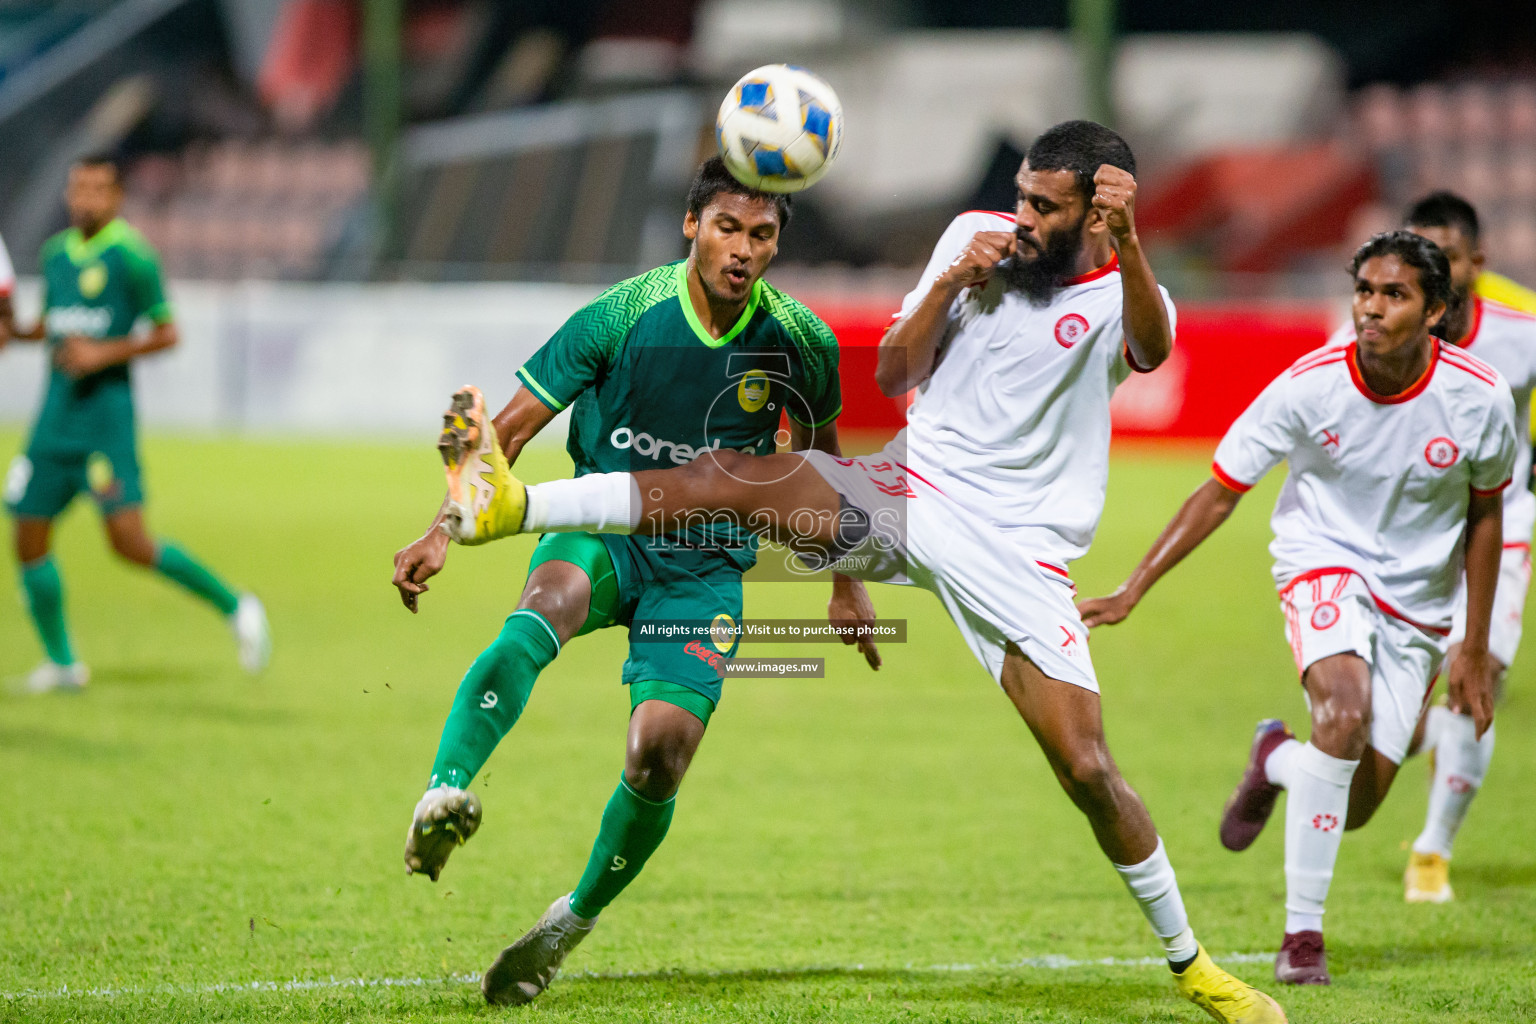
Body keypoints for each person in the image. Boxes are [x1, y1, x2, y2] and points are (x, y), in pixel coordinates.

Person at [430, 121, 1284, 1024]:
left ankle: (1193, 967)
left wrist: (1136, 242)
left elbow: (1152, 351)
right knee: (734, 479)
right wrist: (955, 279)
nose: (1023, 217)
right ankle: (513, 508)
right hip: (911, 492)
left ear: (1099, 215)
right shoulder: (971, 241)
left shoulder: (1123, 294)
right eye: (1023, 197)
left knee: (1086, 769)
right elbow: (891, 368)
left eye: (1044, 207)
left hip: (1020, 551)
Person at [390, 157, 878, 1007]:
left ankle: (565, 925)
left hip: (708, 561)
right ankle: (444, 792)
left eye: (762, 236)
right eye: (728, 228)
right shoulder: (622, 315)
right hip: (604, 528)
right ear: (693, 225)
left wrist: (845, 582)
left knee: (659, 754)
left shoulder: (799, 339)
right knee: (542, 612)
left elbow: (825, 457)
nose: (743, 250)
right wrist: (442, 527)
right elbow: (506, 430)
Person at [1078, 231, 1514, 985]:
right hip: (1324, 563)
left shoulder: (1479, 398)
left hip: (1417, 604)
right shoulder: (1309, 384)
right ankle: (1302, 938)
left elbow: (1485, 515)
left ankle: (1275, 758)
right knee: (1342, 716)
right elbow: (1219, 490)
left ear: (1438, 310)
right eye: (1365, 291)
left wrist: (1472, 645)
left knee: (1354, 803)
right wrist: (1133, 587)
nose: (1372, 309)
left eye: (1396, 295)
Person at [1333, 193, 1536, 904]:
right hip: (1404, 533)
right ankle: (1320, 760)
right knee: (1400, 702)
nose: (1430, 267)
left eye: (1445, 255)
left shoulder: (1521, 333)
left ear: (1475, 262)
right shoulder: (1376, 326)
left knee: (1477, 677)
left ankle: (1433, 850)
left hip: (1499, 523)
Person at [2, 155, 269, 690]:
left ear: (117, 197)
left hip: (106, 425)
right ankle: (63, 663)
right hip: (54, 423)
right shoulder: (56, 256)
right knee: (28, 536)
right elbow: (56, 329)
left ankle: (236, 606)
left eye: (98, 189)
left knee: (129, 541)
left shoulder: (132, 258)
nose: (85, 199)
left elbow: (168, 333)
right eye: (78, 188)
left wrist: (104, 354)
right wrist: (17, 334)